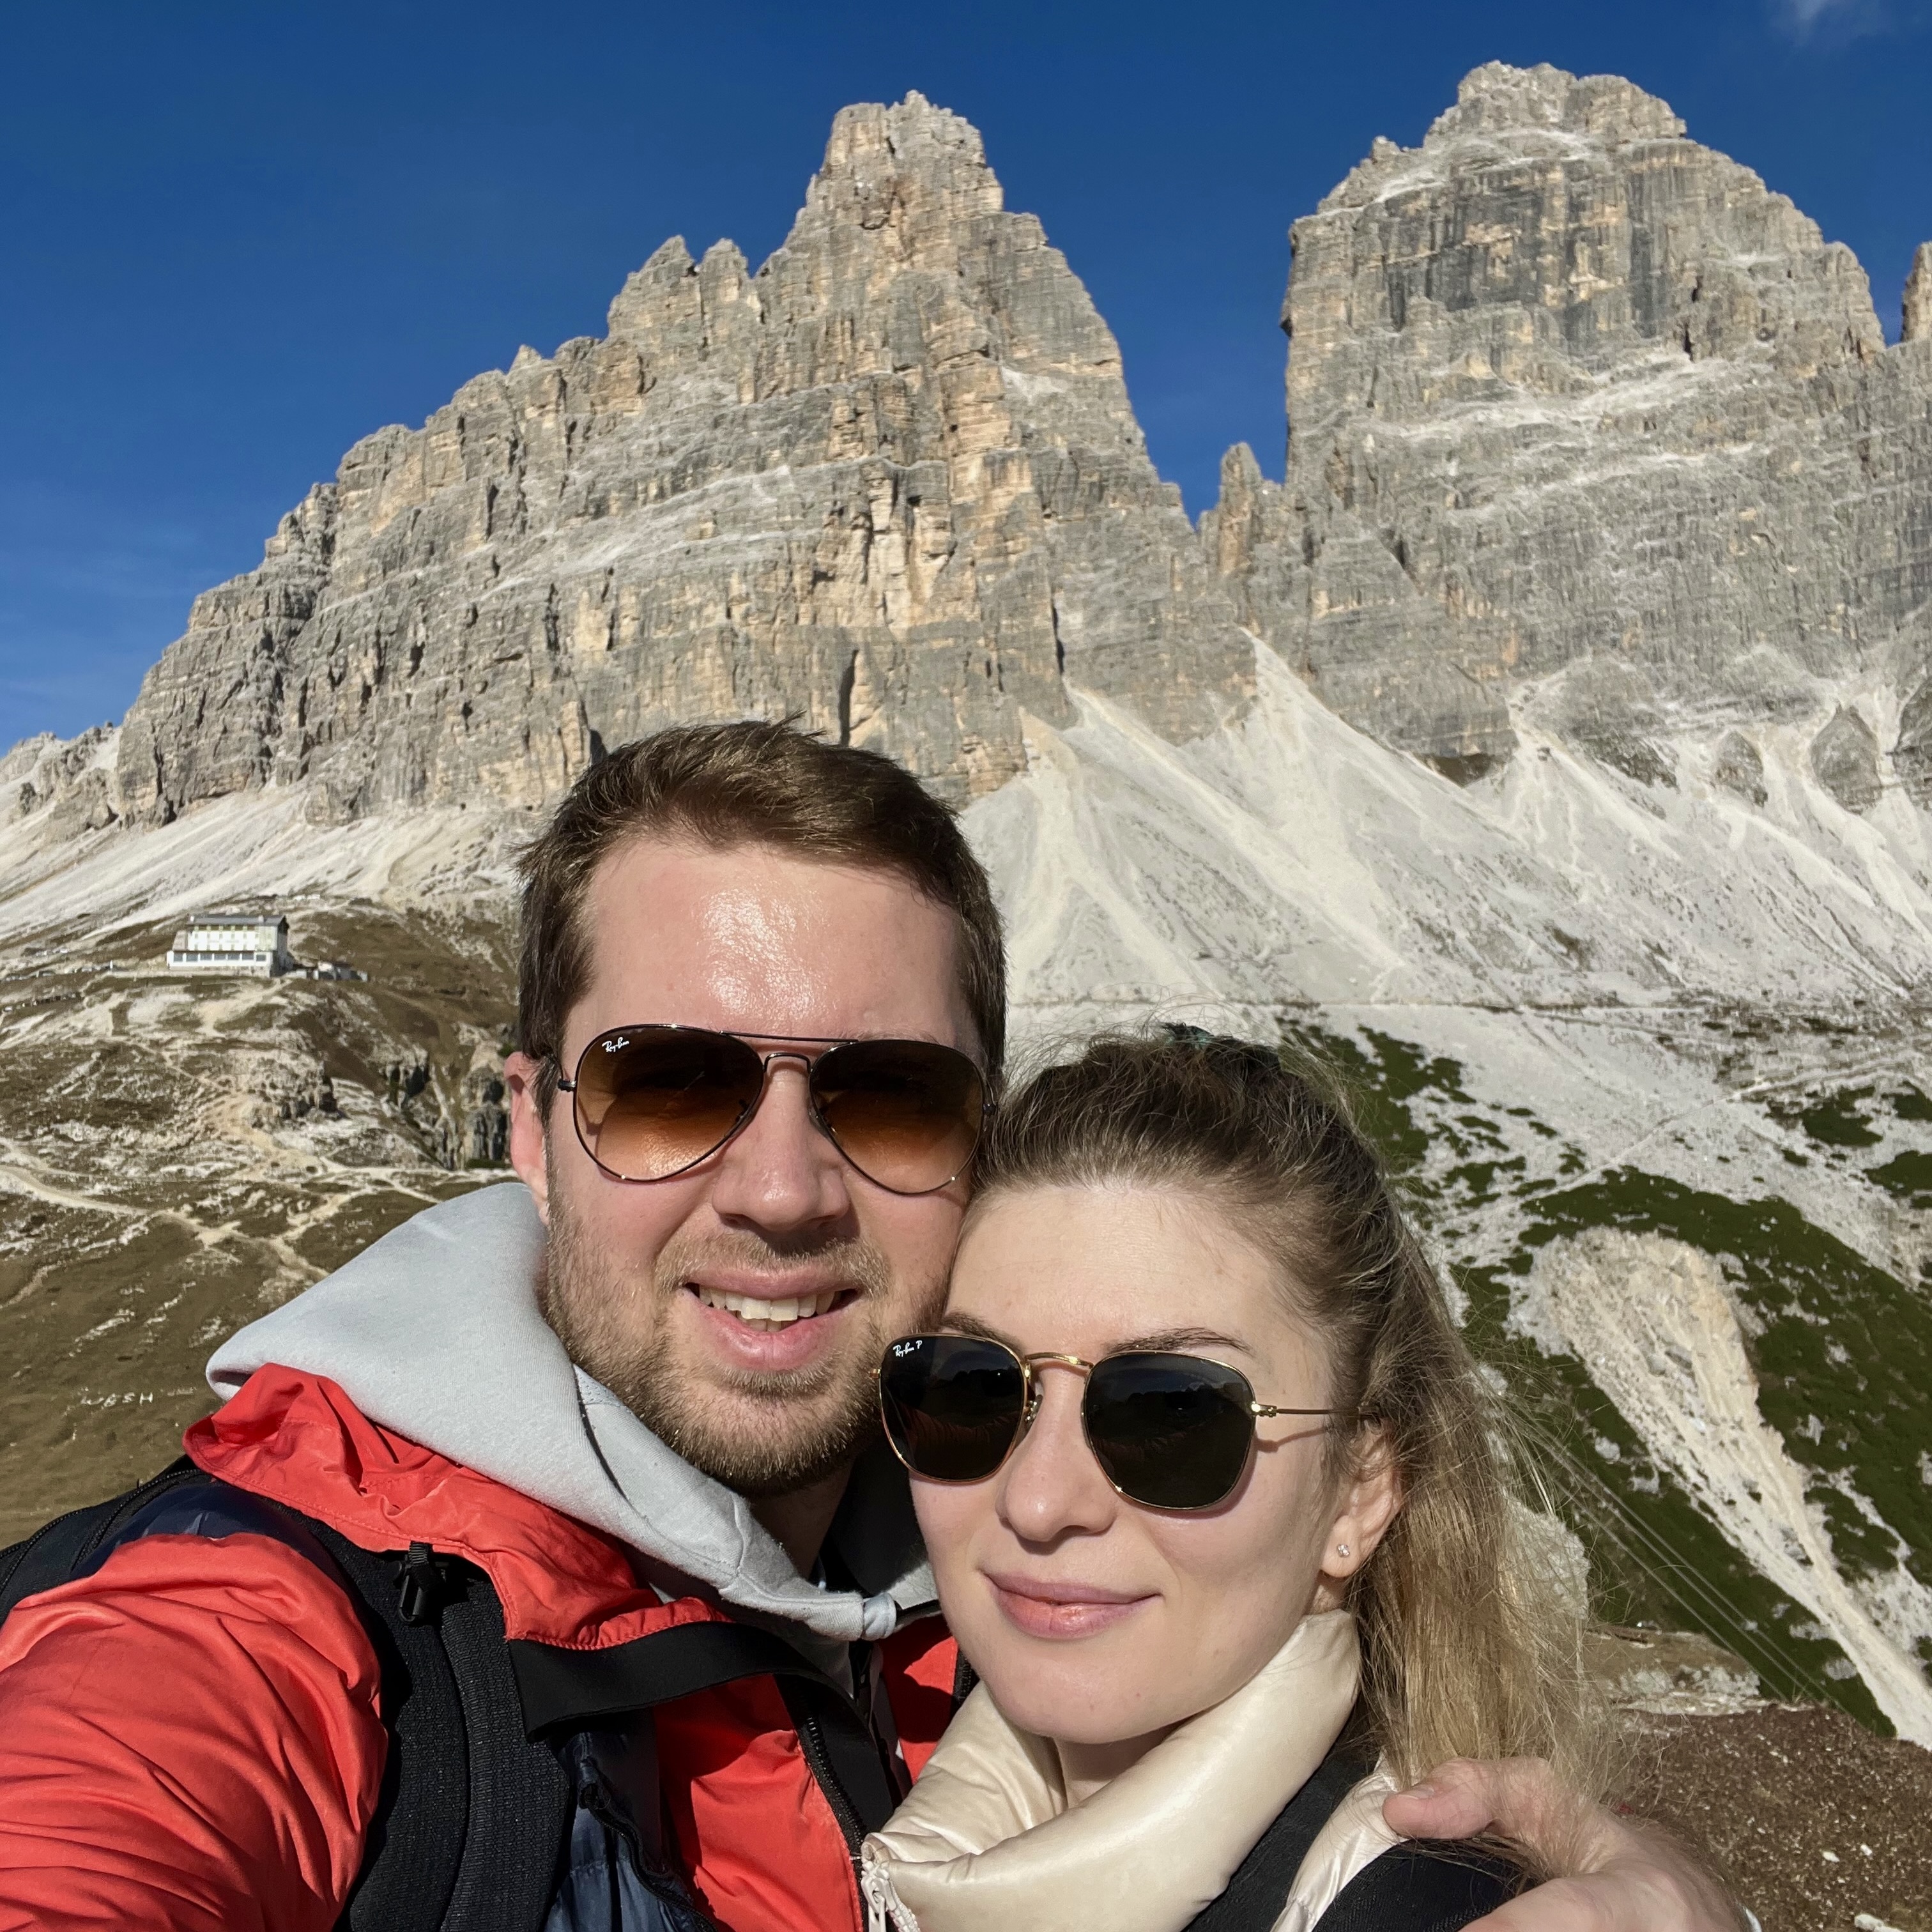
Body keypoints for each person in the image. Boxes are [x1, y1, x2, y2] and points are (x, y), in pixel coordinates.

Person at [0, 723, 1742, 1932]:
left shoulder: (1020, 1580)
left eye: (890, 1103)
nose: (780, 1190)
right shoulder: (272, 1622)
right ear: (527, 1130)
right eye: (670, 1081)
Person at [861, 1029, 1605, 1931]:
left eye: (1170, 1413)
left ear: (1362, 1491)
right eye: (973, 1389)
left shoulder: (1433, 1910)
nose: (1038, 1501)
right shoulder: (881, 1757)